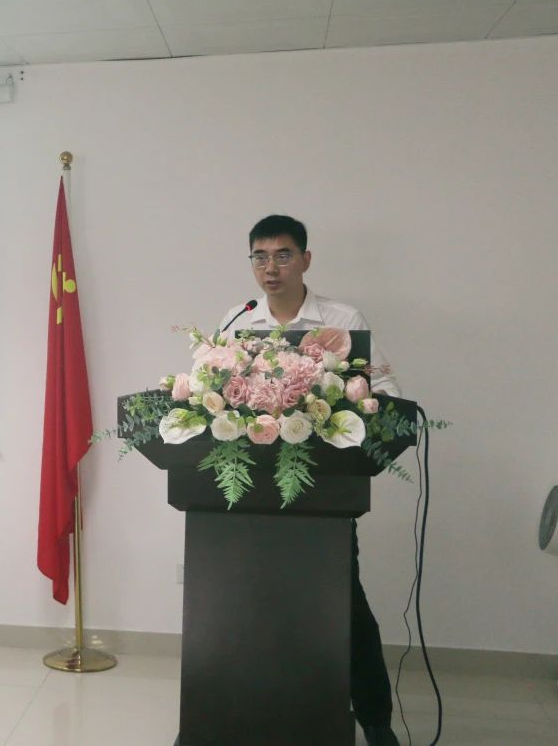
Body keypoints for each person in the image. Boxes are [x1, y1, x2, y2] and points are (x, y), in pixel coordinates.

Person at [220, 214, 401, 746]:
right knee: (256, 605)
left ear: (305, 259)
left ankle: (375, 721)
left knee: (344, 604)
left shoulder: (342, 319)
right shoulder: (238, 319)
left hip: (325, 489)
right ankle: (259, 711)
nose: (270, 268)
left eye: (282, 255)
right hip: (252, 489)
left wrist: (354, 401)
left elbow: (385, 393)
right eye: (259, 257)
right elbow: (218, 392)